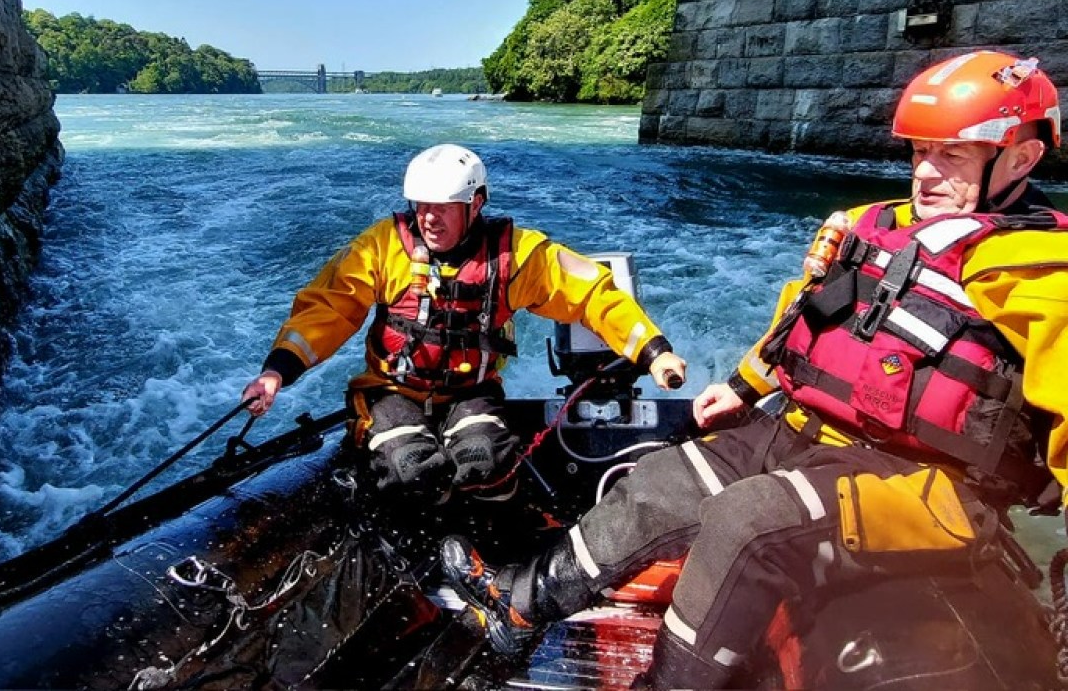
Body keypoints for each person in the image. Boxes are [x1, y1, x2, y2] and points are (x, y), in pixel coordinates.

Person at [442, 50, 1068, 687]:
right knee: (663, 479)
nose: (925, 174)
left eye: (952, 156)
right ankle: (519, 604)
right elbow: (803, 320)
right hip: (812, 433)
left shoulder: (1042, 275)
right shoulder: (871, 226)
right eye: (917, 152)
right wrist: (744, 387)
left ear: (1021, 156)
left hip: (934, 484)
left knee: (746, 522)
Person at [241, 143, 687, 503]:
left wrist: (653, 351)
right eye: (421, 206)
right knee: (408, 467)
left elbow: (590, 294)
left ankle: (491, 548)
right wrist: (278, 370)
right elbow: (328, 308)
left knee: (483, 460)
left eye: (444, 206)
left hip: (470, 392)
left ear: (475, 204)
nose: (429, 217)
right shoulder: (379, 247)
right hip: (392, 391)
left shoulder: (516, 254)